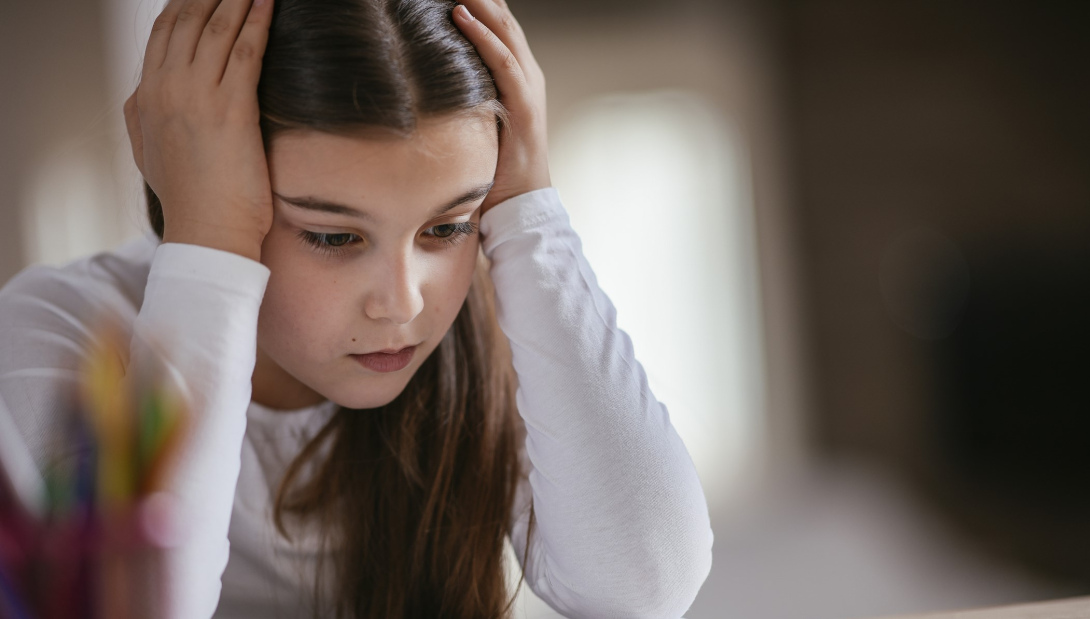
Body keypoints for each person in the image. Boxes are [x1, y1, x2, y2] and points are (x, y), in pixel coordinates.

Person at [0, 0, 713, 616]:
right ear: (202, 184)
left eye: (448, 226)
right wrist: (208, 242)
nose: (403, 303)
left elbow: (647, 581)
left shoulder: (508, 339)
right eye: (334, 235)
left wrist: (531, 214)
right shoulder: (59, 331)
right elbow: (124, 604)